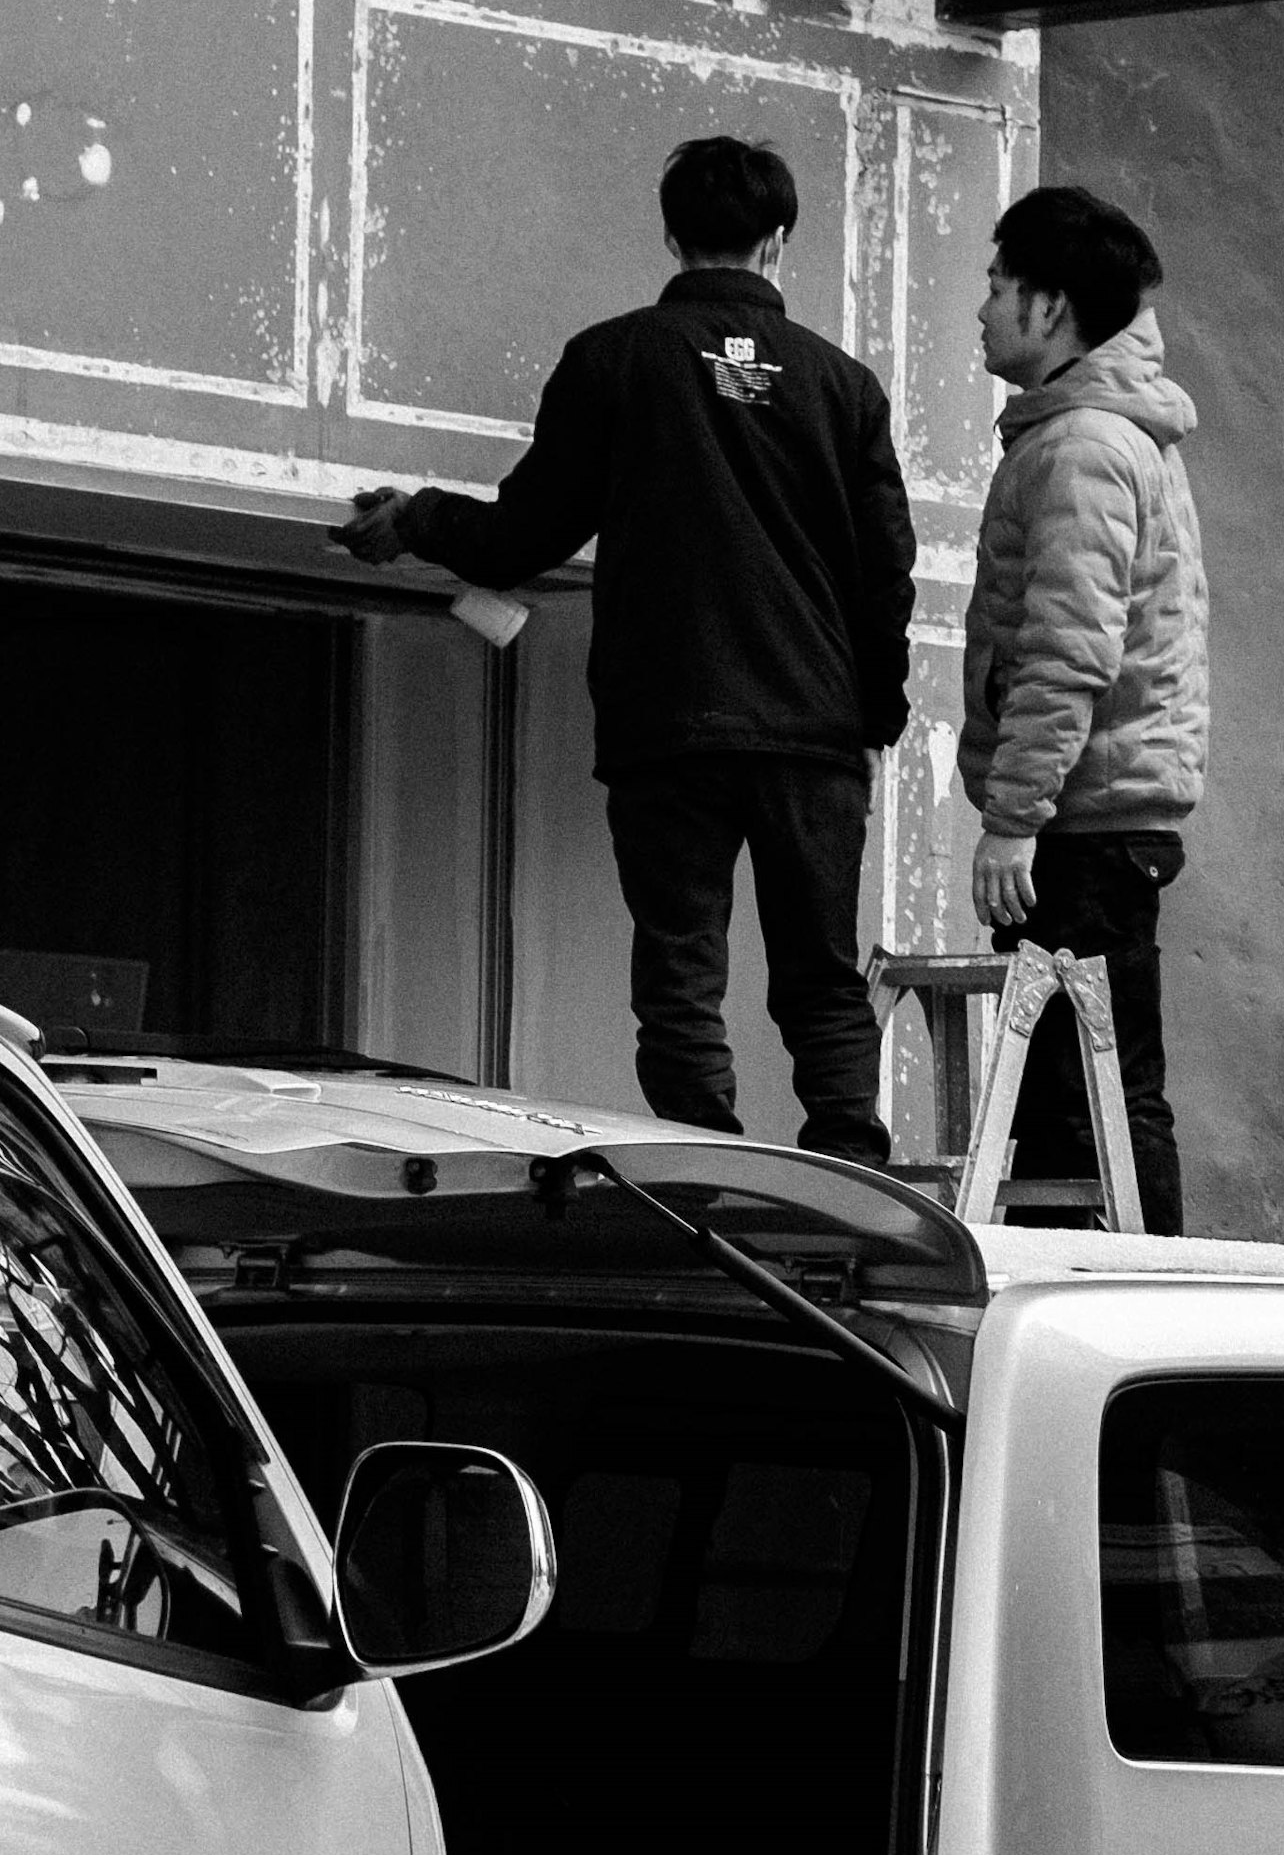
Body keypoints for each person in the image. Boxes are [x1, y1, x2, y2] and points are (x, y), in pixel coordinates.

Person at [342, 134, 914, 1158]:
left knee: (681, 966)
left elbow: (523, 534)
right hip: (813, 733)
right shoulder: (846, 388)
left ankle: (701, 1170)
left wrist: (416, 517)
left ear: (671, 230)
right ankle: (850, 1171)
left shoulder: (613, 361)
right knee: (821, 972)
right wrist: (873, 715)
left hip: (670, 725)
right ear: (778, 241)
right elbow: (886, 575)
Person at [964, 183, 1207, 1232]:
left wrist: (1015, 816)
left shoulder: (1083, 450)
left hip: (1083, 828)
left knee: (1091, 1107)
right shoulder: (1096, 437)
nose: (981, 306)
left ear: (1050, 306)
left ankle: (1134, 1305)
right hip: (1100, 818)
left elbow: (1069, 651)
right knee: (1084, 1105)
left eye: (997, 285)